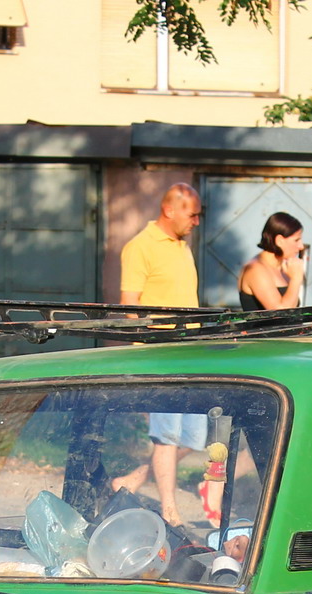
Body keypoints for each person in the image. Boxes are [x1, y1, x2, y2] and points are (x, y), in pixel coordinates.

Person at [114, 183, 205, 522]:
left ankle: (134, 478)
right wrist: (147, 351)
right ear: (170, 210)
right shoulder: (140, 247)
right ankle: (170, 510)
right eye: (192, 214)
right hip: (162, 355)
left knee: (196, 437)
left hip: (190, 352)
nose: (196, 221)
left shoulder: (183, 245)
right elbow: (130, 306)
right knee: (167, 437)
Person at [238, 212, 306, 311]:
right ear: (279, 241)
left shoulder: (284, 267)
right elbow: (281, 313)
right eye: (296, 240)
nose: (301, 246)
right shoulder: (256, 269)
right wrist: (296, 279)